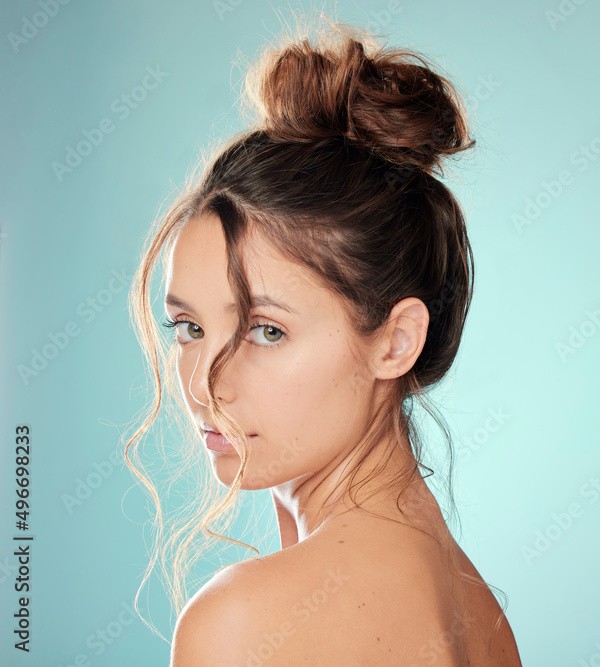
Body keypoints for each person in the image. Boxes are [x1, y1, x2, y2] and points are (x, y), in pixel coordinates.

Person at [124, 15, 521, 665]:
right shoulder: (479, 614)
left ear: (395, 342)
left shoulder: (241, 625)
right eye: (190, 328)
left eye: (266, 329)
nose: (203, 382)